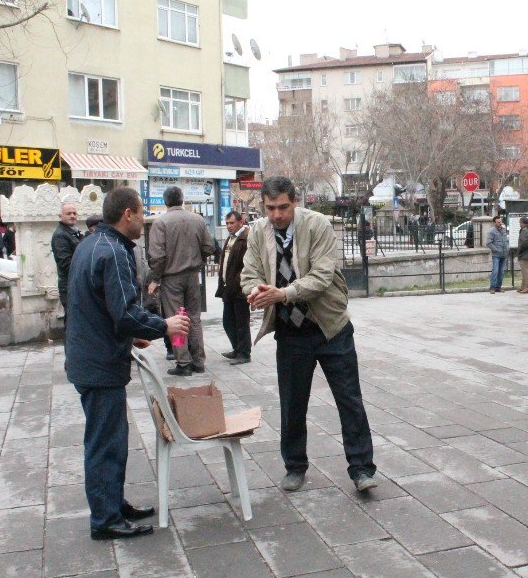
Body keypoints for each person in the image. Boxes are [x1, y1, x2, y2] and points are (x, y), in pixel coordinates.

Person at [65, 187, 189, 540]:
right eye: (140, 213)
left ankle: (113, 504)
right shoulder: (114, 252)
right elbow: (124, 313)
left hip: (90, 356)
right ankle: (105, 519)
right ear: (128, 215)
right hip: (98, 364)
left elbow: (95, 305)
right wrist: (164, 326)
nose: (144, 221)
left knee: (111, 439)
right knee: (105, 442)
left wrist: (129, 335)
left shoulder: (91, 244)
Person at [241, 176, 378, 493]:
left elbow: (321, 276)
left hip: (330, 327)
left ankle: (361, 469)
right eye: (271, 208)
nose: (277, 215)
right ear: (264, 205)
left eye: (283, 207)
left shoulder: (318, 226)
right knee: (292, 403)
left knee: (349, 400)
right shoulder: (258, 233)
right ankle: (294, 466)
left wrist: (282, 294)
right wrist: (257, 292)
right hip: (291, 333)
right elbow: (249, 274)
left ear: (295, 202)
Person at [147, 186, 216, 376]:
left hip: (171, 278)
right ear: (182, 199)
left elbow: (158, 256)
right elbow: (209, 246)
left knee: (177, 319)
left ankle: (183, 363)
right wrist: (198, 260)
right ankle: (199, 361)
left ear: (165, 201)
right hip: (193, 276)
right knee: (194, 318)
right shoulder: (198, 220)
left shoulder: (161, 223)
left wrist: (155, 278)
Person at [216, 210, 251, 365]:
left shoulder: (245, 239)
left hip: (239, 289)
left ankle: (244, 352)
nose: (229, 226)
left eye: (232, 223)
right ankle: (237, 348)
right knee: (228, 321)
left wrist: (236, 283)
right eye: (227, 223)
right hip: (228, 288)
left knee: (241, 323)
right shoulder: (231, 239)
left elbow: (246, 266)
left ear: (240, 222)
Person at [51, 202, 83, 316]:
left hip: (76, 284)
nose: (72, 216)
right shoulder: (61, 235)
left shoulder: (73, 232)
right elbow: (66, 265)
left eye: (74, 213)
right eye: (68, 213)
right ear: (61, 216)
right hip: (70, 287)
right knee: (73, 320)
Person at [486, 215, 508, 293]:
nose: (500, 223)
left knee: (501, 272)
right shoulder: (492, 231)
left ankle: (498, 287)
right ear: (494, 223)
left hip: (504, 253)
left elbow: (506, 240)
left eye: (500, 221)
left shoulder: (504, 230)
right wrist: (496, 249)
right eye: (498, 222)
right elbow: (488, 243)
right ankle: (492, 287)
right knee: (495, 270)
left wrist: (507, 248)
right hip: (496, 255)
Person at [516, 217, 528, 294]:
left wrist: (519, 251)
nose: (519, 224)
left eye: (520, 223)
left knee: (526, 272)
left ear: (522, 223)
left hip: (525, 254)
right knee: (524, 272)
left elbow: (524, 243)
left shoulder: (525, 231)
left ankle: (527, 288)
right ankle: (523, 287)